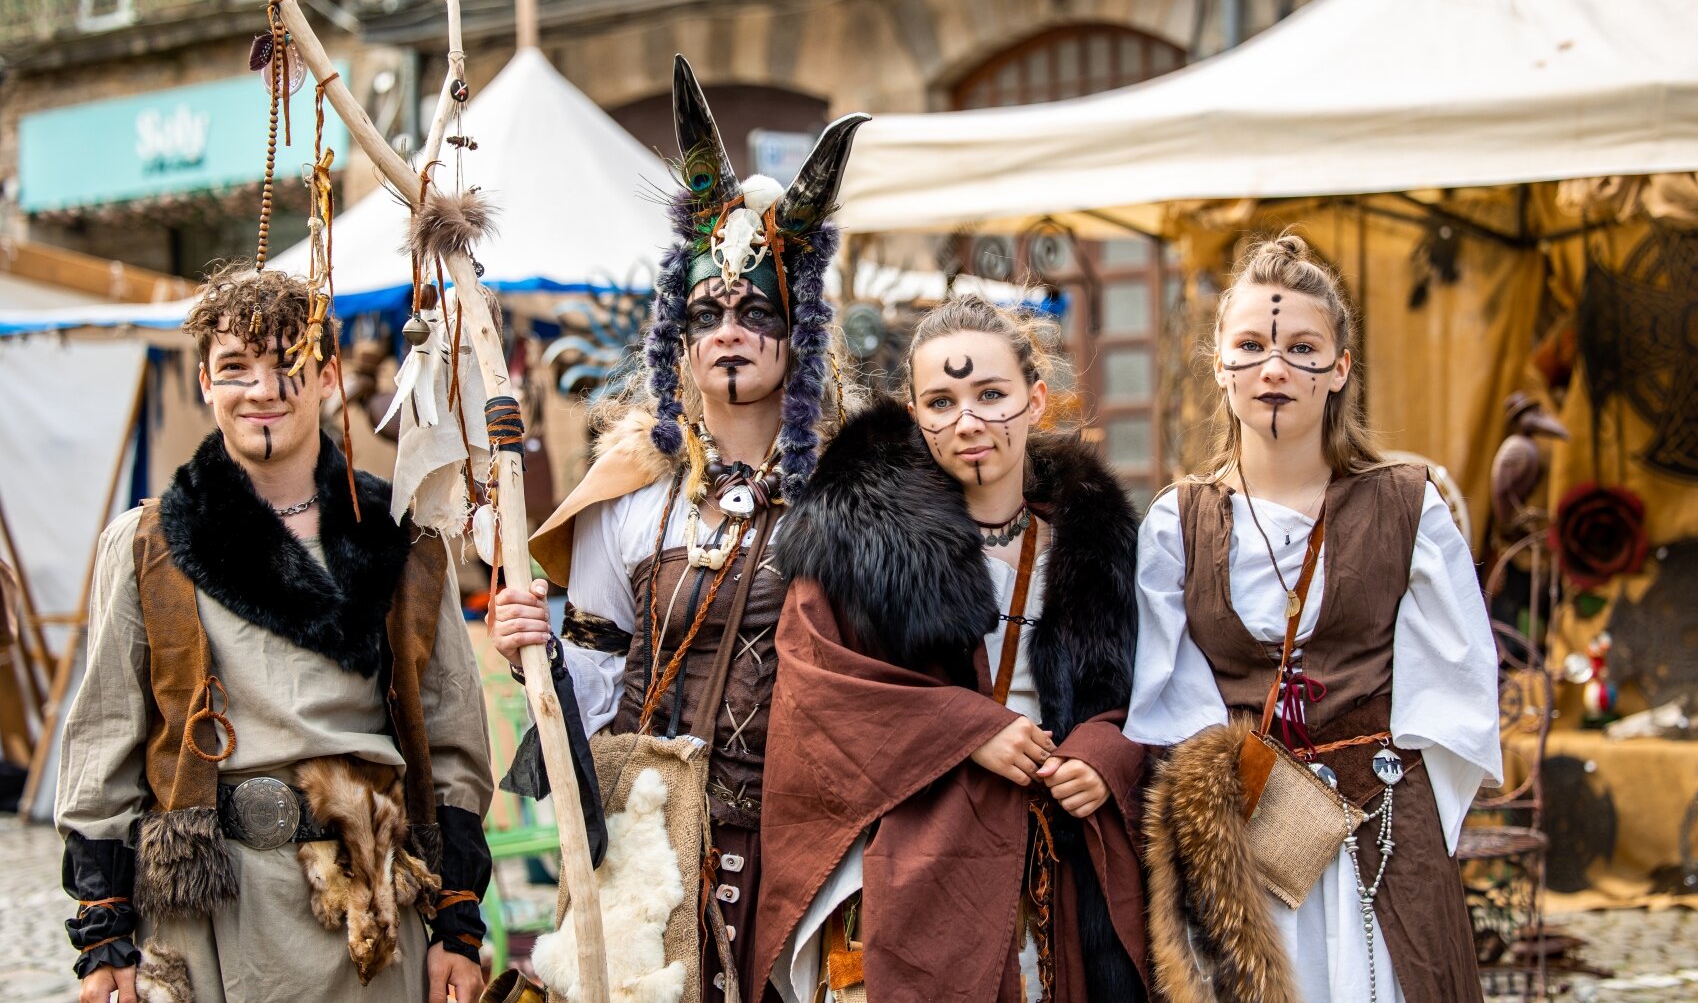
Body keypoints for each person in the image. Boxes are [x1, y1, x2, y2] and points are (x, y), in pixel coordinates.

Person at [488, 54, 867, 1002]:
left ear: (797, 331)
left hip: (802, 849)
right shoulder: (630, 494)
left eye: (755, 310)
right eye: (708, 313)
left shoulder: (853, 495)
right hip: (649, 845)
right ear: (680, 339)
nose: (729, 330)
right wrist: (534, 650)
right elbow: (596, 677)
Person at [55, 263, 494, 1003]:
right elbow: (105, 742)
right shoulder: (146, 544)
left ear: (326, 378)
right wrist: (104, 935)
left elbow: (452, 737)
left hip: (369, 911)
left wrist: (457, 924)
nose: (262, 389)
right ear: (206, 382)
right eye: (235, 367)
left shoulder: (404, 541)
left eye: (287, 363)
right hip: (208, 915)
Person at [1126, 234, 1502, 1003]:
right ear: (1220, 365)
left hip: (1384, 834)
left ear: (1340, 368)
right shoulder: (1177, 525)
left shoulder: (1408, 506)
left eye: (1302, 348)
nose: (1275, 368)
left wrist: (1394, 813)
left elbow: (1452, 692)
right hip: (1247, 848)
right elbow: (1172, 709)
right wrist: (1270, 810)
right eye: (1251, 346)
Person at [755, 295, 1148, 1003]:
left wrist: (1103, 754)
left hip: (1061, 874)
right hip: (925, 869)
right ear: (914, 414)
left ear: (1035, 400)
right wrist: (967, 730)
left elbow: (1156, 695)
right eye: (941, 402)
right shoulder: (860, 548)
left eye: (990, 394)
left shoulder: (1100, 548)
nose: (967, 421)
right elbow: (818, 693)